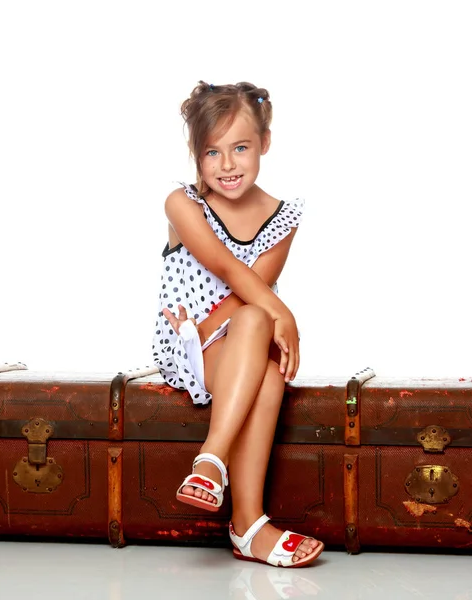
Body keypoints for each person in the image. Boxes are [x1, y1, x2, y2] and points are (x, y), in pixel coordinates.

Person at [152, 81, 324, 568]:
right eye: (212, 152)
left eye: (241, 148)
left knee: (265, 364)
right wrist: (283, 314)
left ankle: (245, 520)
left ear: (265, 143)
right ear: (196, 155)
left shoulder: (282, 217)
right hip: (191, 340)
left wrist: (269, 311)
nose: (227, 165)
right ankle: (219, 469)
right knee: (256, 319)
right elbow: (231, 273)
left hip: (240, 339)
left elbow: (251, 297)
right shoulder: (182, 204)